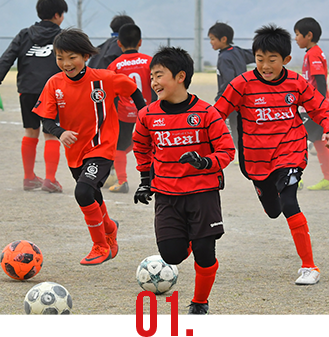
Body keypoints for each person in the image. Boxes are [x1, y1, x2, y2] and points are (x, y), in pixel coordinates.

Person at [214, 24, 329, 285]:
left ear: (286, 60)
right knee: (273, 210)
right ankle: (266, 192)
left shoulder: (296, 82)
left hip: (290, 152)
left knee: (289, 202)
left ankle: (309, 266)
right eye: (260, 59)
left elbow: (322, 109)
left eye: (272, 60)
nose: (265, 66)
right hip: (256, 160)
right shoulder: (242, 84)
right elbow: (216, 113)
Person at [133, 46, 235, 315]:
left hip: (203, 192)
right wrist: (145, 180)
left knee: (205, 251)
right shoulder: (148, 115)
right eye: (151, 76)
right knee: (171, 255)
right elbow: (141, 147)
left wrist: (204, 162)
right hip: (167, 193)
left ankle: (200, 302)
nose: (153, 82)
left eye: (159, 75)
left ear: (180, 76)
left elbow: (226, 151)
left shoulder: (206, 113)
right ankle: (189, 237)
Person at [33, 28, 146, 265]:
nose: (65, 63)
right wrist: (60, 132)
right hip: (76, 152)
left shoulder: (104, 79)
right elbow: (46, 118)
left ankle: (100, 246)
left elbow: (133, 90)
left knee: (83, 193)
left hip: (102, 148)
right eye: (60, 57)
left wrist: (144, 115)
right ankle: (110, 228)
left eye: (71, 57)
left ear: (85, 56)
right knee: (93, 195)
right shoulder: (54, 84)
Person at [0, 0, 68, 192]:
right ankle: (50, 179)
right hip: (53, 91)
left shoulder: (25, 34)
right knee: (51, 134)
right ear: (57, 15)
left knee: (30, 131)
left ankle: (29, 177)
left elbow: (7, 58)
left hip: (27, 90)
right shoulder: (62, 36)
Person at [107, 23, 155, 193]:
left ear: (118, 43)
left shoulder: (114, 65)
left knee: (119, 147)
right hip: (147, 111)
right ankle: (156, 179)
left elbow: (110, 92)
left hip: (124, 113)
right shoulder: (150, 62)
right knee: (153, 144)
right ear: (140, 42)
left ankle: (122, 181)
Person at [294, 17, 329, 191]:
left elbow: (321, 81)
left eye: (298, 34)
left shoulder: (314, 53)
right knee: (319, 143)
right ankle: (328, 179)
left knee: (298, 141)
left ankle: (295, 179)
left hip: (313, 108)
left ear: (309, 35)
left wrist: (320, 105)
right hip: (312, 106)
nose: (296, 38)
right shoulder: (312, 52)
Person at [208, 22, 254, 149]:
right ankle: (245, 150)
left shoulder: (224, 57)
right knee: (242, 125)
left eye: (213, 39)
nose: (211, 42)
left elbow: (228, 81)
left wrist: (220, 99)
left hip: (231, 98)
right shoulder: (237, 51)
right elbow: (255, 54)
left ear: (223, 39)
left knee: (231, 125)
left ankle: (240, 153)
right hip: (244, 97)